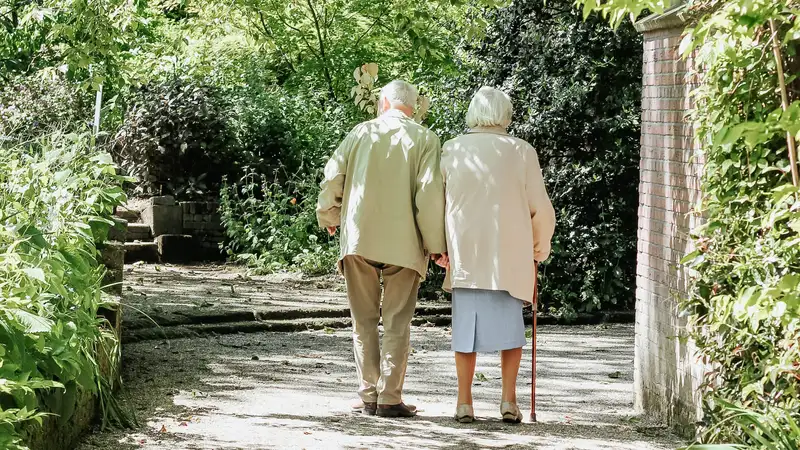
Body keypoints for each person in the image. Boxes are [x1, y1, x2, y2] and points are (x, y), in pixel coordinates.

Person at [316, 80, 447, 418]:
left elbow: (333, 177)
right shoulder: (426, 139)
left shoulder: (359, 133)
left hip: (360, 239)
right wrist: (437, 246)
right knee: (397, 322)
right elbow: (429, 195)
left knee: (363, 321)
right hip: (405, 244)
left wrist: (328, 213)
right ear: (413, 107)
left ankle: (369, 394)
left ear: (383, 103)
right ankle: (389, 398)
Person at [439, 86, 556, 424]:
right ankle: (508, 400)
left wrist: (439, 247)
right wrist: (539, 247)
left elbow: (439, 203)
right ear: (506, 115)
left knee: (465, 331)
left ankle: (464, 402)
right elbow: (541, 209)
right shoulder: (521, 151)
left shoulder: (453, 149)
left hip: (466, 253)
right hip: (510, 254)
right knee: (510, 331)